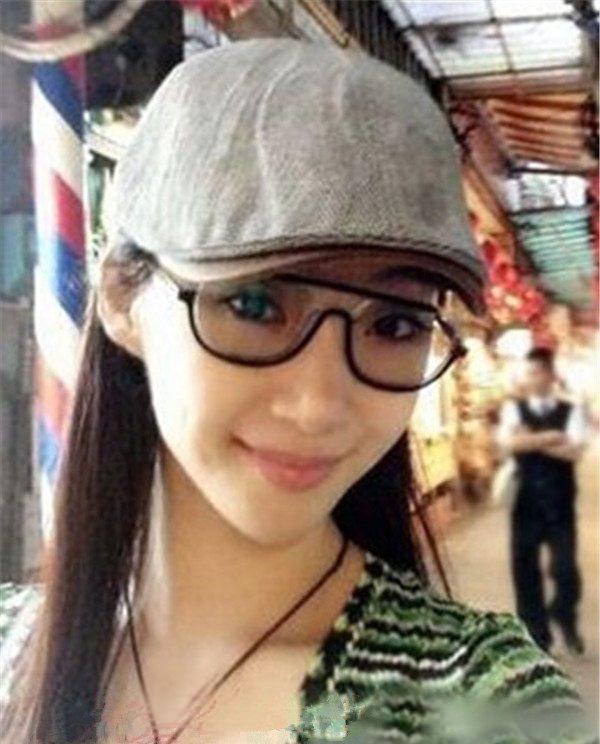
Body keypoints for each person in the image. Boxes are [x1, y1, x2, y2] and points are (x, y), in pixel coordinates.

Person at [0, 40, 594, 744]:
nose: (318, 407)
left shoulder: (487, 702)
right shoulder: (13, 649)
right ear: (124, 300)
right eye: (254, 304)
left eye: (395, 324)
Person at [497, 347, 587, 656]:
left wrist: (530, 441)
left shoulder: (571, 410)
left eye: (535, 372)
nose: (529, 378)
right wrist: (551, 438)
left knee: (565, 569)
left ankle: (564, 613)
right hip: (525, 502)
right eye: (528, 372)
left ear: (550, 375)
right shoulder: (514, 409)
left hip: (561, 502)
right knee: (525, 569)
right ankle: (537, 635)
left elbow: (574, 452)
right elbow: (508, 444)